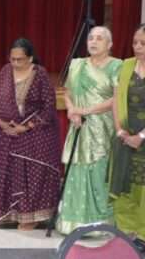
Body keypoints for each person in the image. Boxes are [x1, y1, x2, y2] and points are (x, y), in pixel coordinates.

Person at [0, 38, 62, 230]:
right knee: (7, 168)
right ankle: (11, 212)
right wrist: (0, 122)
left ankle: (31, 216)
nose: (16, 63)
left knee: (30, 170)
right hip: (6, 130)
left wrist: (25, 127)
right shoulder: (4, 72)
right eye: (13, 59)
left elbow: (48, 107)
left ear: (30, 58)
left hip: (36, 132)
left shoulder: (40, 74)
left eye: (20, 59)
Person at [55, 26, 121, 234]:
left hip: (102, 129)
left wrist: (87, 110)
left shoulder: (117, 66)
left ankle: (99, 225)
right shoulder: (77, 65)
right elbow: (67, 92)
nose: (93, 42)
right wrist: (72, 110)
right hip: (79, 126)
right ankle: (73, 223)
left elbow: (116, 99)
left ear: (109, 45)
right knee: (76, 172)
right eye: (91, 38)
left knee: (98, 174)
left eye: (99, 39)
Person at [111, 24, 145, 236]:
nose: (138, 47)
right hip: (125, 136)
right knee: (125, 185)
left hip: (142, 138)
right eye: (135, 42)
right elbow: (116, 100)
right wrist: (121, 132)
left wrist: (141, 136)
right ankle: (127, 232)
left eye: (143, 43)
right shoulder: (125, 66)